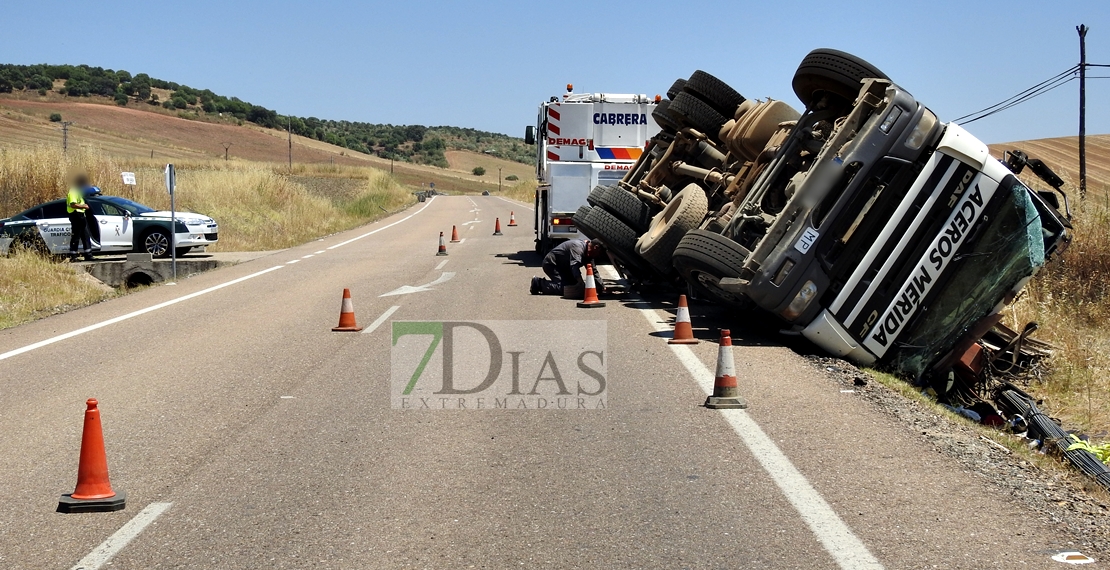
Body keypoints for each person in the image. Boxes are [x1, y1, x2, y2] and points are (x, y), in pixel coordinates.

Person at [530, 238, 606, 295]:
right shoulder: (578, 247)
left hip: (564, 268)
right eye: (600, 252)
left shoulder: (590, 254)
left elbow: (593, 270)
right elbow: (574, 265)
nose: (599, 255)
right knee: (566, 289)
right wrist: (581, 283)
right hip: (552, 264)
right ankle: (538, 283)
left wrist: (601, 286)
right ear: (596, 247)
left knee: (573, 286)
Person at [66, 173, 94, 261]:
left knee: (85, 235)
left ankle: (88, 255)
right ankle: (73, 256)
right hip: (75, 215)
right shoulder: (73, 191)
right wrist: (84, 206)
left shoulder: (78, 191)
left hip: (81, 216)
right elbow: (73, 204)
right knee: (76, 236)